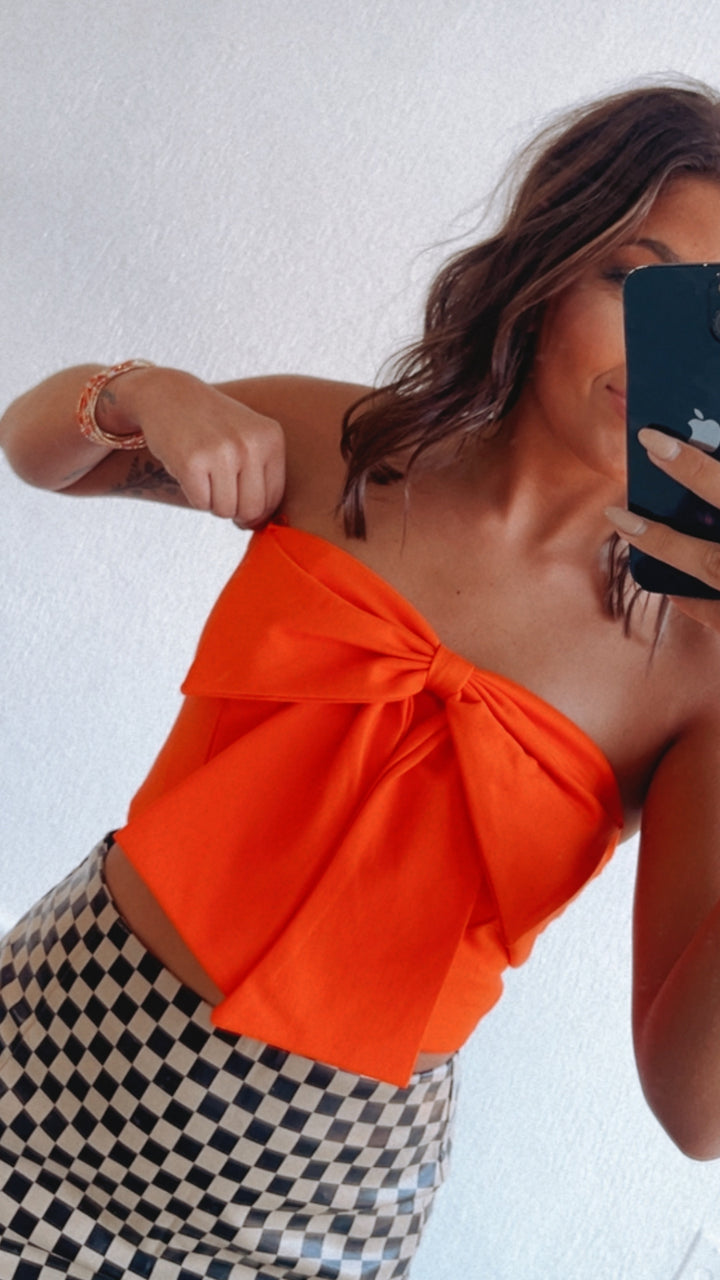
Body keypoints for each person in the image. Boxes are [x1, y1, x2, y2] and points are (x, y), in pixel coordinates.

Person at [3, 75, 720, 1280]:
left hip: (313, 1210)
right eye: (629, 278)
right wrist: (136, 391)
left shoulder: (699, 669)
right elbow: (40, 454)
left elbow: (697, 1110)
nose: (663, 344)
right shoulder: (346, 447)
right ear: (549, 267)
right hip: (50, 1060)